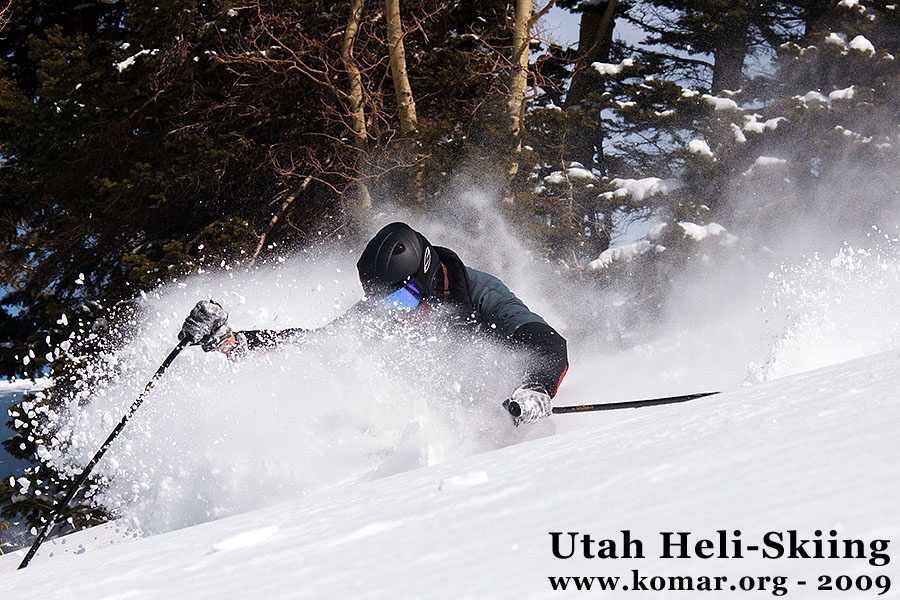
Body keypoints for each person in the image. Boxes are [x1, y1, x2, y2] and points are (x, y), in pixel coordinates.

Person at [178, 222, 568, 425]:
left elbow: (547, 343)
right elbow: (315, 345)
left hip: (505, 419)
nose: (395, 314)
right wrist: (233, 341)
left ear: (427, 278)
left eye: (402, 300)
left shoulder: (483, 294)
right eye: (385, 305)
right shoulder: (386, 315)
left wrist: (535, 387)